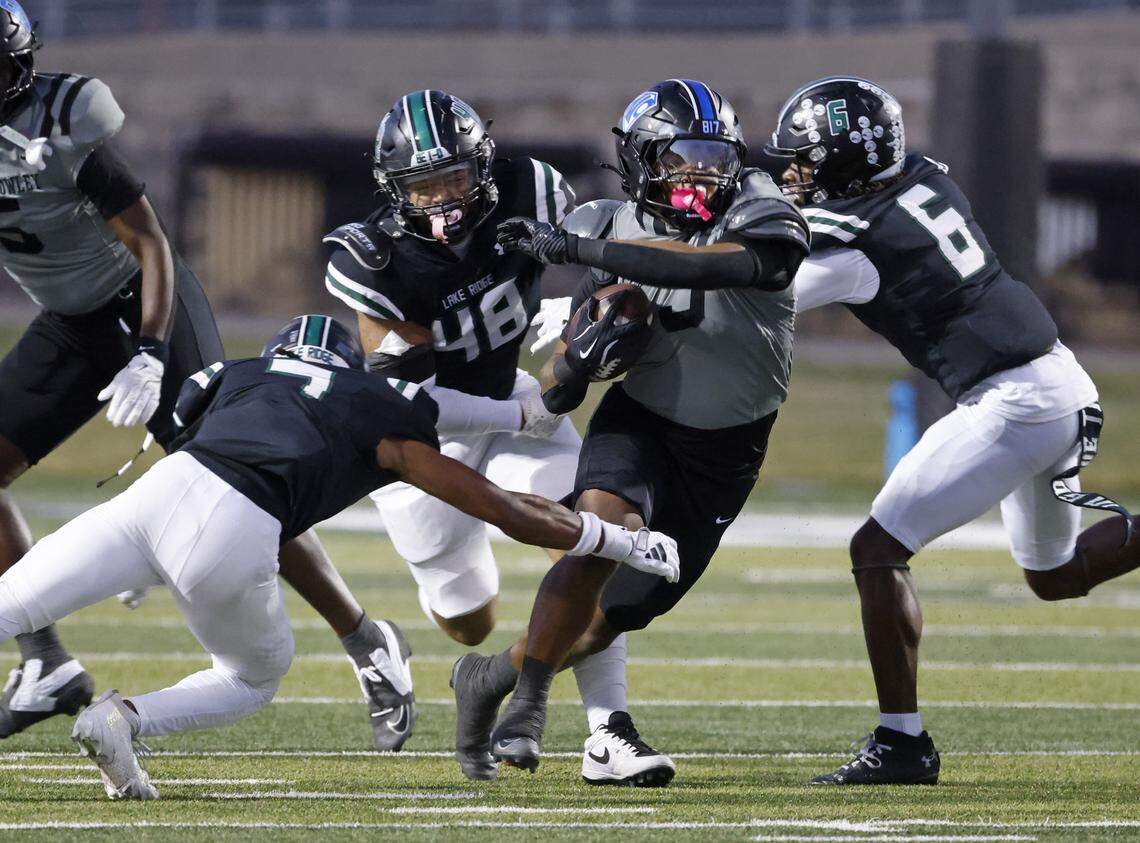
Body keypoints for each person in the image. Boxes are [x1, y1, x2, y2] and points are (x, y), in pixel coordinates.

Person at [0, 314, 679, 800]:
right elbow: (503, 508)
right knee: (250, 675)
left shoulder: (238, 374)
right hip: (236, 525)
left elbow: (192, 434)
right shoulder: (375, 404)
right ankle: (124, 718)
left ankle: (116, 718)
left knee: (10, 605)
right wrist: (617, 540)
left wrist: (149, 559)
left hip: (150, 499)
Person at [766, 75, 1140, 784]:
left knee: (877, 547)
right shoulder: (922, 177)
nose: (794, 175)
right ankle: (902, 741)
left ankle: (902, 742)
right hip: (1059, 381)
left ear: (844, 162)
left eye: (806, 161)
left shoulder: (857, 243)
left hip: (1015, 401)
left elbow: (762, 293)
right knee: (1057, 576)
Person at [450, 79, 810, 779]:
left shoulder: (760, 209)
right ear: (642, 160)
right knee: (600, 535)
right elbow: (556, 387)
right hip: (639, 421)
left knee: (611, 617)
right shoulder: (606, 224)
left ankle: (490, 677)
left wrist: (582, 253)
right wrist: (579, 364)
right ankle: (527, 705)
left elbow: (716, 265)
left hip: (727, 449)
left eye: (713, 158)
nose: (699, 174)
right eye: (680, 159)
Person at [323, 89, 668, 780]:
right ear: (394, 189)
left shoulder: (531, 189)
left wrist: (577, 309)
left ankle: (608, 733)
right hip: (423, 449)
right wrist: (519, 413)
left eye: (454, 177)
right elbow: (411, 402)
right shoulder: (375, 259)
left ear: (481, 166)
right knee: (468, 621)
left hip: (511, 398)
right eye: (424, 186)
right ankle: (464, 663)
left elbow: (606, 249)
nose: (443, 200)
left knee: (592, 540)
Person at [0, 0, 227, 735]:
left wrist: (153, 352)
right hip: (68, 322)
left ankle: (363, 640)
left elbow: (151, 241)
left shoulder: (64, 123)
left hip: (138, 301)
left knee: (230, 470)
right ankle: (44, 661)